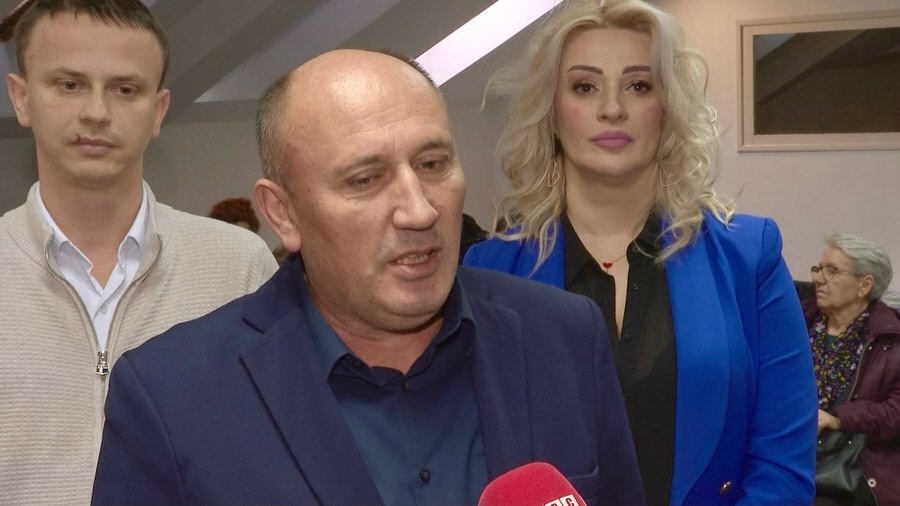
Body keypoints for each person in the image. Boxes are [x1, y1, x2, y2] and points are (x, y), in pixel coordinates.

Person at [90, 49, 645, 506]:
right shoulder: (173, 397)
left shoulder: (564, 338)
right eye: (364, 179)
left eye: (433, 165)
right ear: (283, 213)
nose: (420, 210)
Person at [462, 0, 817, 504]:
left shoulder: (749, 256)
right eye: (585, 87)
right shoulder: (488, 271)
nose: (612, 108)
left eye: (639, 85)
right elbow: (474, 460)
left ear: (668, 109)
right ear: (552, 111)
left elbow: (783, 469)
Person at [0, 1, 277, 504]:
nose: (96, 112)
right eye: (69, 84)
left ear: (158, 110)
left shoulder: (240, 267)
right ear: (20, 98)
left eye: (125, 89)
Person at [805, 234, 900, 506]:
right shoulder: (798, 321)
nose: (818, 278)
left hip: (853, 468)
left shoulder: (890, 339)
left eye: (832, 271)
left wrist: (836, 419)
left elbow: (895, 413)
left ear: (864, 285)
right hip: (788, 450)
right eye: (818, 269)